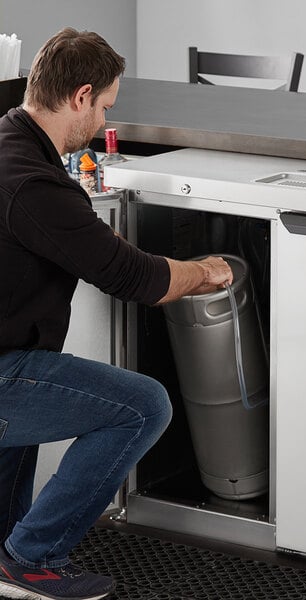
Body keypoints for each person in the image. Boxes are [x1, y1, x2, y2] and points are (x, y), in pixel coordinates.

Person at [0, 27, 233, 600]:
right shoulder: (35, 185)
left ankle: (6, 554)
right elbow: (137, 280)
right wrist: (208, 269)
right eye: (105, 105)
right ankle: (30, 560)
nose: (105, 119)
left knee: (31, 404)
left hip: (12, 355)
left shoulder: (9, 139)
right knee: (141, 405)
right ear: (80, 97)